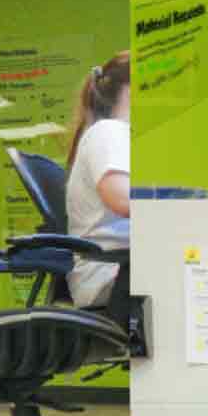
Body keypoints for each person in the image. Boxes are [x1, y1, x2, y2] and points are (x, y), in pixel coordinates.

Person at [62, 51, 131, 309]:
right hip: (112, 275)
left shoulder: (118, 136)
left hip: (122, 271)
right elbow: (121, 198)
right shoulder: (109, 131)